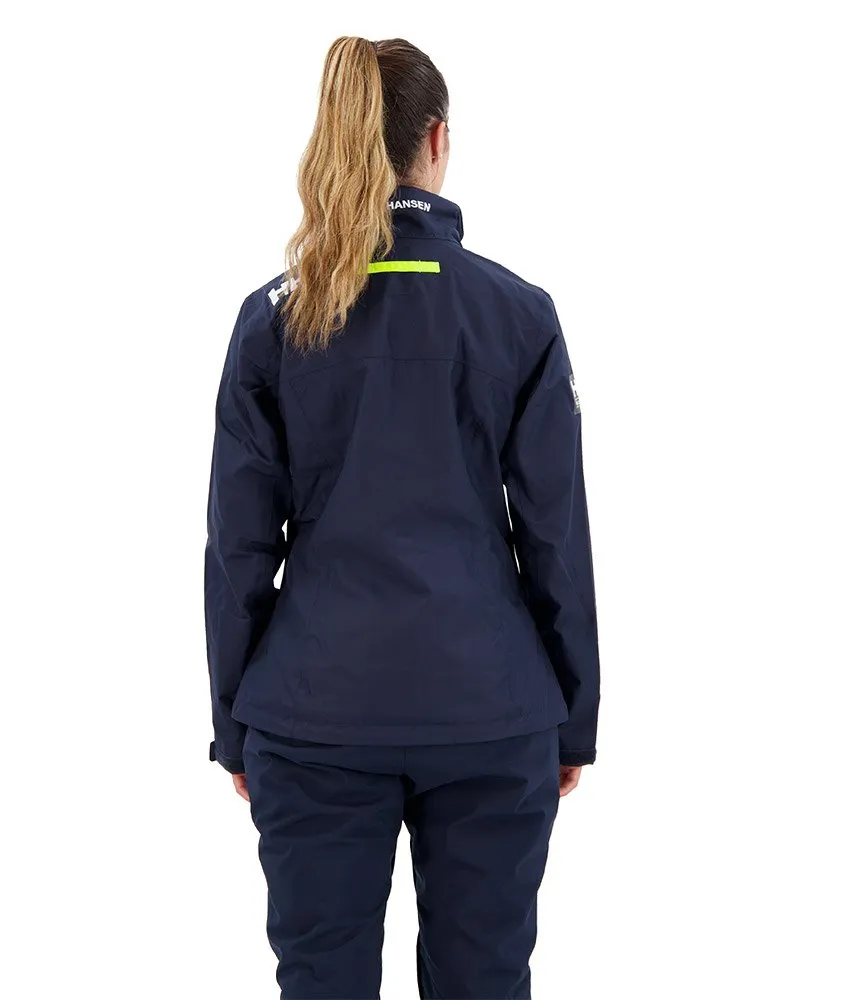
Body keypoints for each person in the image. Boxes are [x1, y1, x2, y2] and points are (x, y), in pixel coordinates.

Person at [204, 35, 601, 1000]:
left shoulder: (275, 317)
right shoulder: (518, 314)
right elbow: (555, 535)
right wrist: (573, 718)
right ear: (437, 141)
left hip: (313, 711)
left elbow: (238, 548)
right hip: (490, 709)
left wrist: (235, 724)